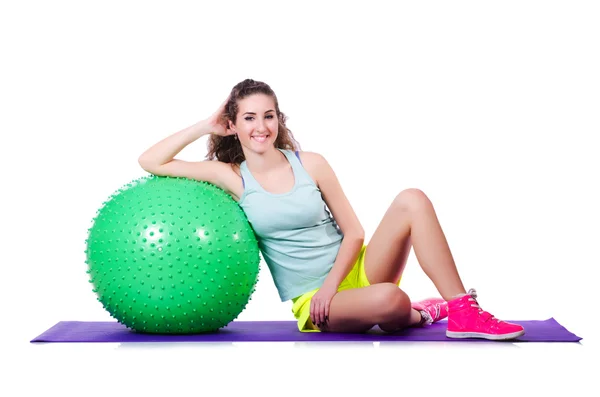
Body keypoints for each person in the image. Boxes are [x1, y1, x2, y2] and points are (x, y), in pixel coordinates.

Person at [138, 78, 525, 340]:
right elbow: (151, 161)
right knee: (391, 299)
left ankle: (461, 310)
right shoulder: (232, 177)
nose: (261, 127)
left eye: (268, 116)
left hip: (354, 272)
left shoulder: (312, 164)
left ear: (279, 119)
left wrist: (333, 284)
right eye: (249, 118)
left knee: (412, 199)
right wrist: (204, 125)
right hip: (314, 300)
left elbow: (354, 232)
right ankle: (423, 313)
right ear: (233, 125)